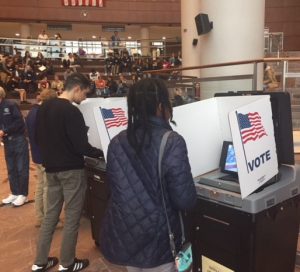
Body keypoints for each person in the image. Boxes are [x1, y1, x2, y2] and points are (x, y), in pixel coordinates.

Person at [99, 78, 197, 271]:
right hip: (160, 241)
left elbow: (118, 191)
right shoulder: (171, 142)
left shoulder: (117, 142)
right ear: (161, 106)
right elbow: (184, 200)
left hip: (127, 234)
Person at [31, 73, 103, 272]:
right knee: (72, 217)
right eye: (85, 94)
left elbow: (37, 138)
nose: (85, 99)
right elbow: (81, 146)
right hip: (71, 170)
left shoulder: (44, 107)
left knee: (50, 217)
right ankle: (67, 263)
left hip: (50, 169)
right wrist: (102, 151)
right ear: (77, 88)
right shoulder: (72, 112)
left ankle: (40, 261)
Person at [25, 89, 60, 228]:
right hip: (45, 155)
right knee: (48, 188)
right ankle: (49, 220)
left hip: (36, 154)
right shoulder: (42, 114)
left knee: (40, 187)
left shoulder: (31, 112)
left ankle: (40, 217)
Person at [0, 86, 30, 206]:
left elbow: (19, 122)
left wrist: (5, 130)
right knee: (11, 169)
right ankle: (15, 192)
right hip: (7, 142)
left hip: (18, 140)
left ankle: (23, 194)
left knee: (21, 168)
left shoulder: (11, 105)